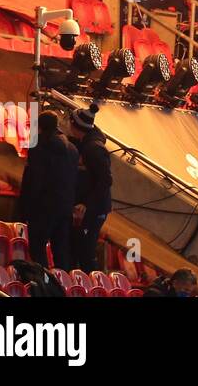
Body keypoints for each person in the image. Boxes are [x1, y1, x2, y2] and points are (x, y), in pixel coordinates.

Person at [18, 111, 79, 271]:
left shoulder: (38, 146)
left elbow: (34, 181)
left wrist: (25, 209)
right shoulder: (72, 149)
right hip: (65, 207)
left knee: (38, 249)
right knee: (61, 252)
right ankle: (62, 286)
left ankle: (45, 284)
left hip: (43, 207)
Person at [68, 104, 113, 272]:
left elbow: (105, 180)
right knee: (78, 246)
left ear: (76, 126)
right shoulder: (86, 142)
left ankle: (93, 283)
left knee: (86, 250)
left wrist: (87, 204)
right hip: (90, 208)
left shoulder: (93, 149)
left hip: (94, 210)